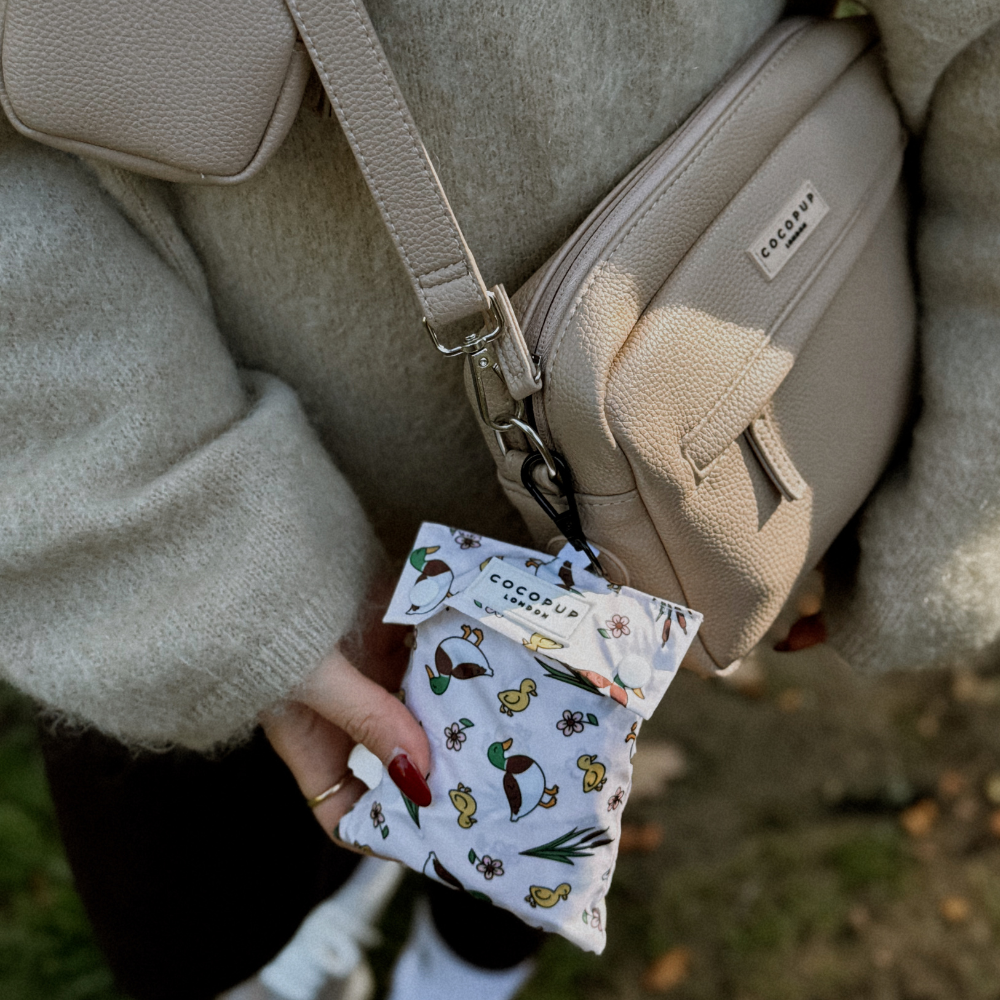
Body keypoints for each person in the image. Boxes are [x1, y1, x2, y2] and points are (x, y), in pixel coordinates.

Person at [4, 0, 1000, 997]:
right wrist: (175, 544)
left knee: (531, 802)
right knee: (197, 912)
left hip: (665, 433)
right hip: (192, 468)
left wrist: (954, 485)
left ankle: (464, 965)